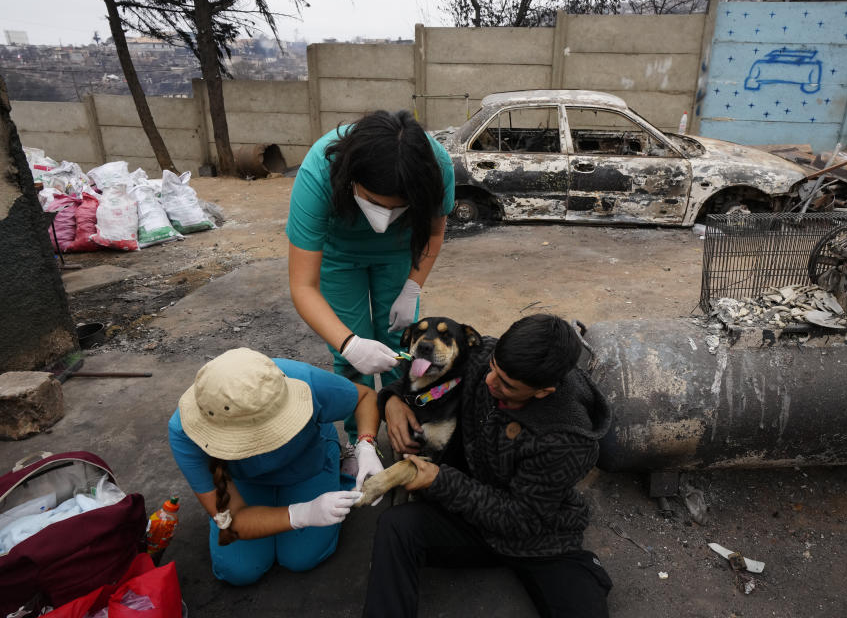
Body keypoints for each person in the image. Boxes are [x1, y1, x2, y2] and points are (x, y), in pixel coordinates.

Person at [364, 314, 613, 618]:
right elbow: (419, 365)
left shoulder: (567, 439)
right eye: (494, 367)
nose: (488, 381)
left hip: (537, 538)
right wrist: (392, 400)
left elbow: (520, 520)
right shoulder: (488, 357)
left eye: (506, 385)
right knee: (396, 525)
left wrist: (440, 482)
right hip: (468, 513)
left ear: (542, 392)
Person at [286, 110, 456, 442]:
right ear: (351, 178)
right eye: (374, 202)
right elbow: (303, 285)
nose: (384, 218)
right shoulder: (319, 171)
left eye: (398, 207)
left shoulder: (436, 168)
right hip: (339, 254)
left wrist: (412, 287)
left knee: (402, 346)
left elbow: (434, 235)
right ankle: (360, 442)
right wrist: (348, 343)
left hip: (399, 252)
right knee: (351, 352)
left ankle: (404, 426)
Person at [167, 347, 384, 586]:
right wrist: (301, 514)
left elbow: (364, 398)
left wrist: (366, 445)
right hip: (245, 482)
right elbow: (233, 519)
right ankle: (307, 501)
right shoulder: (185, 433)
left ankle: (340, 469)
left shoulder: (300, 379)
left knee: (301, 558)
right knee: (239, 570)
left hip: (307, 463)